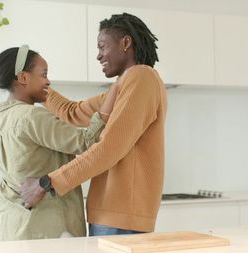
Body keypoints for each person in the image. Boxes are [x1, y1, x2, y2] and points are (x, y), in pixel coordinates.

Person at [21, 13, 167, 236]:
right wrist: (39, 86)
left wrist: (47, 183)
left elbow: (109, 148)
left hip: (123, 217)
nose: (98, 56)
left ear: (126, 43)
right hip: (110, 215)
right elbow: (72, 112)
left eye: (102, 47)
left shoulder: (141, 77)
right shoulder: (121, 86)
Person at [0, 45, 119, 240]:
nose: (48, 81)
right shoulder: (32, 117)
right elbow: (87, 142)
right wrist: (114, 92)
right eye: (43, 74)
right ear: (23, 78)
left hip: (9, 225)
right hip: (44, 229)